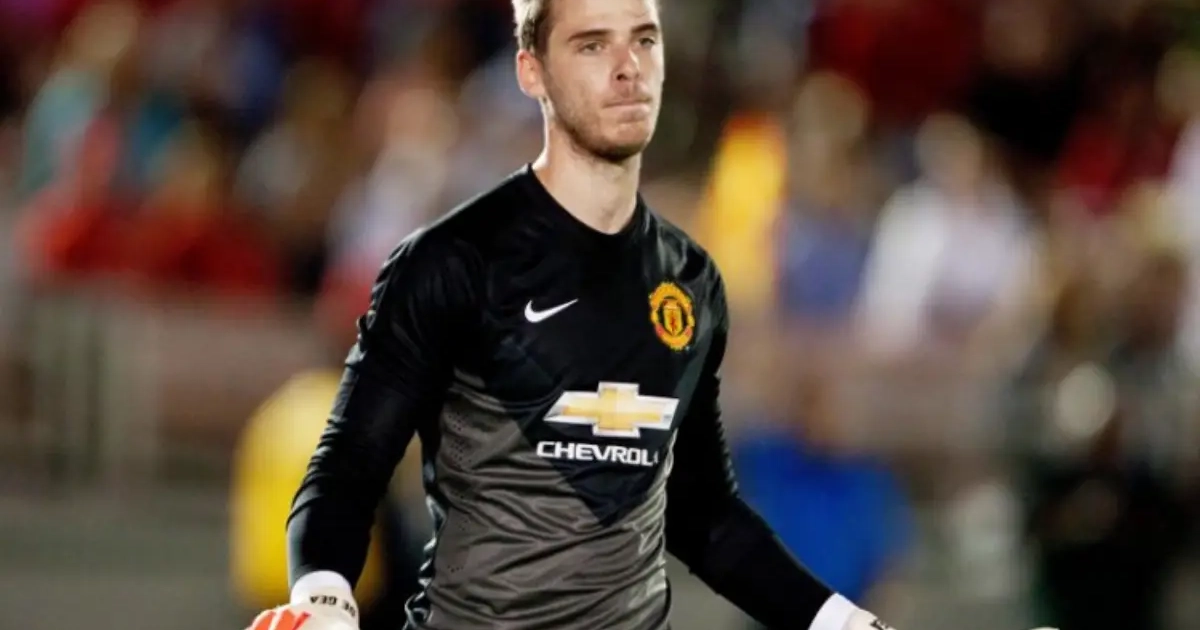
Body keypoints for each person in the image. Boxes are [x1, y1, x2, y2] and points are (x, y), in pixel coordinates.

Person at [246, 1, 1051, 629]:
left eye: (644, 40)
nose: (627, 67)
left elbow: (702, 517)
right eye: (592, 45)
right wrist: (324, 599)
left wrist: (841, 621)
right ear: (531, 70)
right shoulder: (450, 262)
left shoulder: (690, 282)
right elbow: (346, 469)